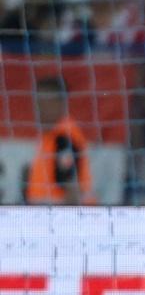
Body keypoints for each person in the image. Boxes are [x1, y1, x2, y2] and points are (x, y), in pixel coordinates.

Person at [25, 76, 95, 205]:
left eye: (46, 103)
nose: (40, 110)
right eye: (38, 103)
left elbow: (72, 192)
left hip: (61, 219)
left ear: (61, 103)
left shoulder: (64, 137)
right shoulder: (50, 135)